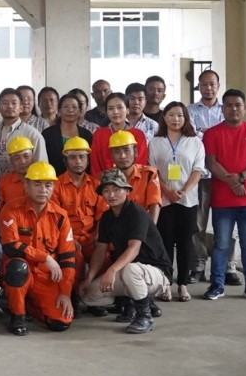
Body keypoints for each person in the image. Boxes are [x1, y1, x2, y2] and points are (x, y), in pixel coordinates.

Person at [79, 169, 173, 334]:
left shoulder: (136, 213)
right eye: (106, 191)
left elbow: (134, 249)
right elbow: (100, 251)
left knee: (130, 270)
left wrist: (112, 270)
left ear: (127, 191)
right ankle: (131, 303)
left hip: (156, 272)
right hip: (132, 272)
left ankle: (145, 315)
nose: (111, 195)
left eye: (116, 189)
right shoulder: (107, 217)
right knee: (89, 295)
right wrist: (89, 278)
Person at [202, 89, 246, 301]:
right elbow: (211, 162)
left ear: (245, 108)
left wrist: (241, 177)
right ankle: (217, 284)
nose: (233, 109)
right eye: (229, 105)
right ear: (222, 109)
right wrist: (233, 182)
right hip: (223, 201)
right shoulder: (212, 133)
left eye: (237, 105)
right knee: (221, 244)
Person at [0, 162, 76, 335]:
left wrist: (65, 293)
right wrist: (46, 258)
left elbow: (68, 257)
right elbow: (11, 246)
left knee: (61, 323)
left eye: (48, 185)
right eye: (37, 184)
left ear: (54, 187)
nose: (43, 190)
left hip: (46, 276)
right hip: (21, 271)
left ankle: (32, 305)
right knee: (17, 268)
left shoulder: (61, 216)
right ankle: (17, 315)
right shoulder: (11, 209)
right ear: (26, 185)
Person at [149, 102, 205, 301]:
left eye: (180, 115)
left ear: (186, 118)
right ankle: (165, 284)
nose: (175, 119)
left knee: (185, 243)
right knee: (165, 243)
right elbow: (153, 171)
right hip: (164, 201)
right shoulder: (155, 142)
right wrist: (168, 191)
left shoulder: (195, 142)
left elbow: (198, 170)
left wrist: (183, 191)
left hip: (187, 201)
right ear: (164, 118)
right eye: (171, 115)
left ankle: (182, 284)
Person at [52, 137, 108, 298]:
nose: (78, 161)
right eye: (73, 157)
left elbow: (103, 215)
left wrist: (98, 236)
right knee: (75, 259)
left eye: (82, 157)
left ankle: (95, 297)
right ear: (65, 160)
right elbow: (55, 219)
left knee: (105, 257)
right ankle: (74, 296)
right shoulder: (56, 185)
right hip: (68, 238)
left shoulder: (96, 185)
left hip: (91, 238)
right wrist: (67, 239)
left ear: (87, 160)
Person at [186, 69, 227, 284]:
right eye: (203, 84)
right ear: (198, 87)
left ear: (218, 86)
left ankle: (227, 267)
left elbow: (225, 137)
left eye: (212, 84)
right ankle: (198, 266)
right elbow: (193, 136)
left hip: (223, 174)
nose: (208, 88)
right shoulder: (190, 110)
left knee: (225, 223)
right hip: (200, 175)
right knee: (198, 224)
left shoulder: (226, 109)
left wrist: (206, 134)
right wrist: (213, 134)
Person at [0, 88, 47, 178]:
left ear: (21, 108)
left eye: (14, 103)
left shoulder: (33, 135)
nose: (10, 106)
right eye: (5, 103)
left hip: (24, 188)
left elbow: (42, 166)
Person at [108, 130, 161, 222]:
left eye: (127, 150)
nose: (123, 156)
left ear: (135, 152)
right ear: (111, 156)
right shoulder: (105, 178)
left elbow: (154, 204)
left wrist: (150, 231)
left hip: (141, 225)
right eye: (117, 151)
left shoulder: (149, 174)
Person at [90, 93, 148, 176]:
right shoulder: (99, 134)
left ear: (128, 110)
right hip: (104, 184)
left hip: (134, 183)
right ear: (106, 111)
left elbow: (141, 164)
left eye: (119, 107)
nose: (115, 112)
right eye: (110, 108)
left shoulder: (138, 135)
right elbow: (95, 165)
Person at [41, 93, 94, 176]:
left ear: (80, 111)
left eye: (74, 107)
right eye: (66, 107)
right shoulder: (47, 134)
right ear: (59, 111)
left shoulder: (86, 135)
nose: (70, 110)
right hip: (54, 181)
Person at [0, 136, 35, 208]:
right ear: (11, 161)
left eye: (26, 156)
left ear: (33, 156)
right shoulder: (3, 184)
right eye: (16, 158)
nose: (22, 162)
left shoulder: (43, 180)